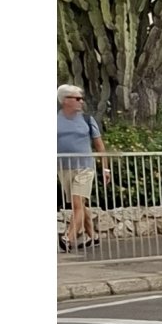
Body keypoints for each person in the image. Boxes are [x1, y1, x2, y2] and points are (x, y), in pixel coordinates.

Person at [57, 83, 108, 252]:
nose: (81, 102)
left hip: (85, 167)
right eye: (77, 98)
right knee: (80, 204)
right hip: (64, 167)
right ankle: (92, 235)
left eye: (81, 98)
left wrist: (105, 169)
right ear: (65, 100)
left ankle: (68, 238)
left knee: (77, 204)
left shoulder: (87, 119)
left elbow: (99, 145)